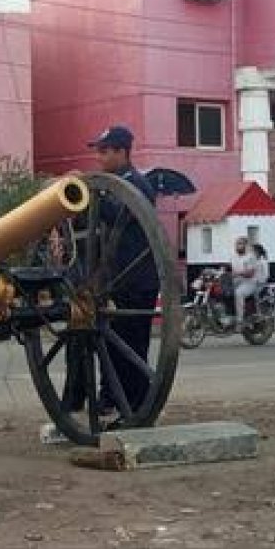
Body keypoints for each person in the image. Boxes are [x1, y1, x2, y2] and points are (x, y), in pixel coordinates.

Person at [88, 125, 159, 416]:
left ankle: (136, 404)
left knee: (132, 346)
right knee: (115, 344)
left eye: (105, 152)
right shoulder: (118, 183)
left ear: (122, 152)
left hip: (136, 279)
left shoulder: (135, 185)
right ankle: (115, 398)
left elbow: (116, 212)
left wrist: (90, 195)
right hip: (119, 279)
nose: (99, 158)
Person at [231, 236, 258, 331]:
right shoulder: (234, 257)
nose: (238, 246)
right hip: (237, 282)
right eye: (237, 244)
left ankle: (240, 321)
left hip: (249, 283)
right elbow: (231, 270)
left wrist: (238, 273)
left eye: (240, 244)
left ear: (245, 245)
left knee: (239, 293)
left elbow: (251, 273)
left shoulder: (251, 256)